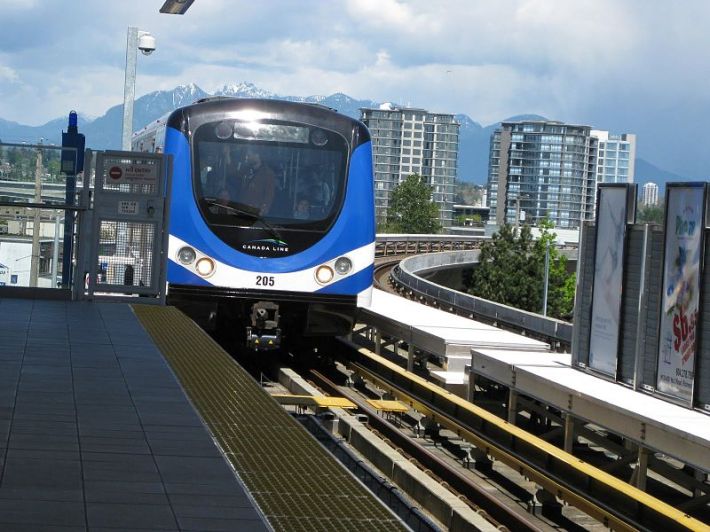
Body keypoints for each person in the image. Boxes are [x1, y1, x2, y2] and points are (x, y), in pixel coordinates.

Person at [237, 147, 275, 215]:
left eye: (249, 155)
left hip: (256, 212)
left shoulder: (268, 174)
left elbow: (269, 195)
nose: (247, 158)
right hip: (243, 211)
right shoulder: (246, 170)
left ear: (257, 155)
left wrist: (262, 211)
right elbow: (233, 174)